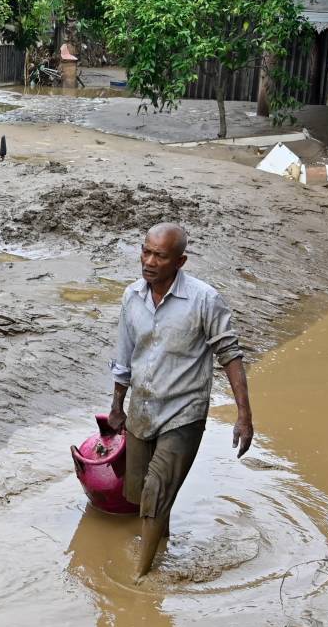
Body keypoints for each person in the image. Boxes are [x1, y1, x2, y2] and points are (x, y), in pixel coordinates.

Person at [108, 222, 254, 575]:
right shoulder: (132, 297)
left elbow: (230, 355)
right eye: (146, 251)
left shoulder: (204, 300)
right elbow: (124, 357)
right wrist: (116, 406)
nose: (149, 261)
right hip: (141, 409)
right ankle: (164, 546)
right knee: (141, 493)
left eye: (160, 255)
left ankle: (140, 578)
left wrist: (244, 416)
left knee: (156, 493)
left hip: (183, 413)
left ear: (180, 261)